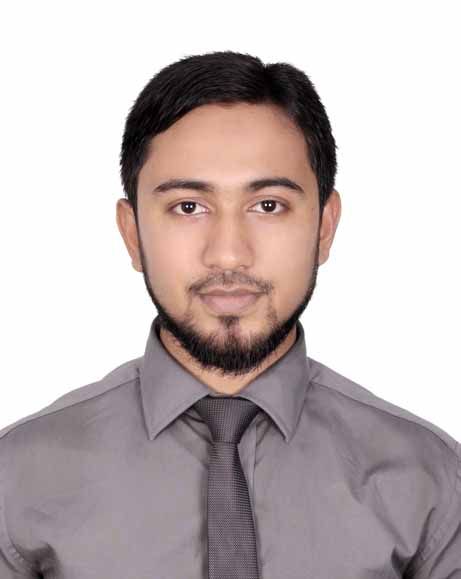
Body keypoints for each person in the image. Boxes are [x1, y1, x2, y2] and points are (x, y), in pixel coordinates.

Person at [0, 51, 459, 579]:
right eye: (188, 207)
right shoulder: (16, 481)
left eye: (268, 205)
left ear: (325, 227)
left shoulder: (434, 484)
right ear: (131, 233)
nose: (228, 255)